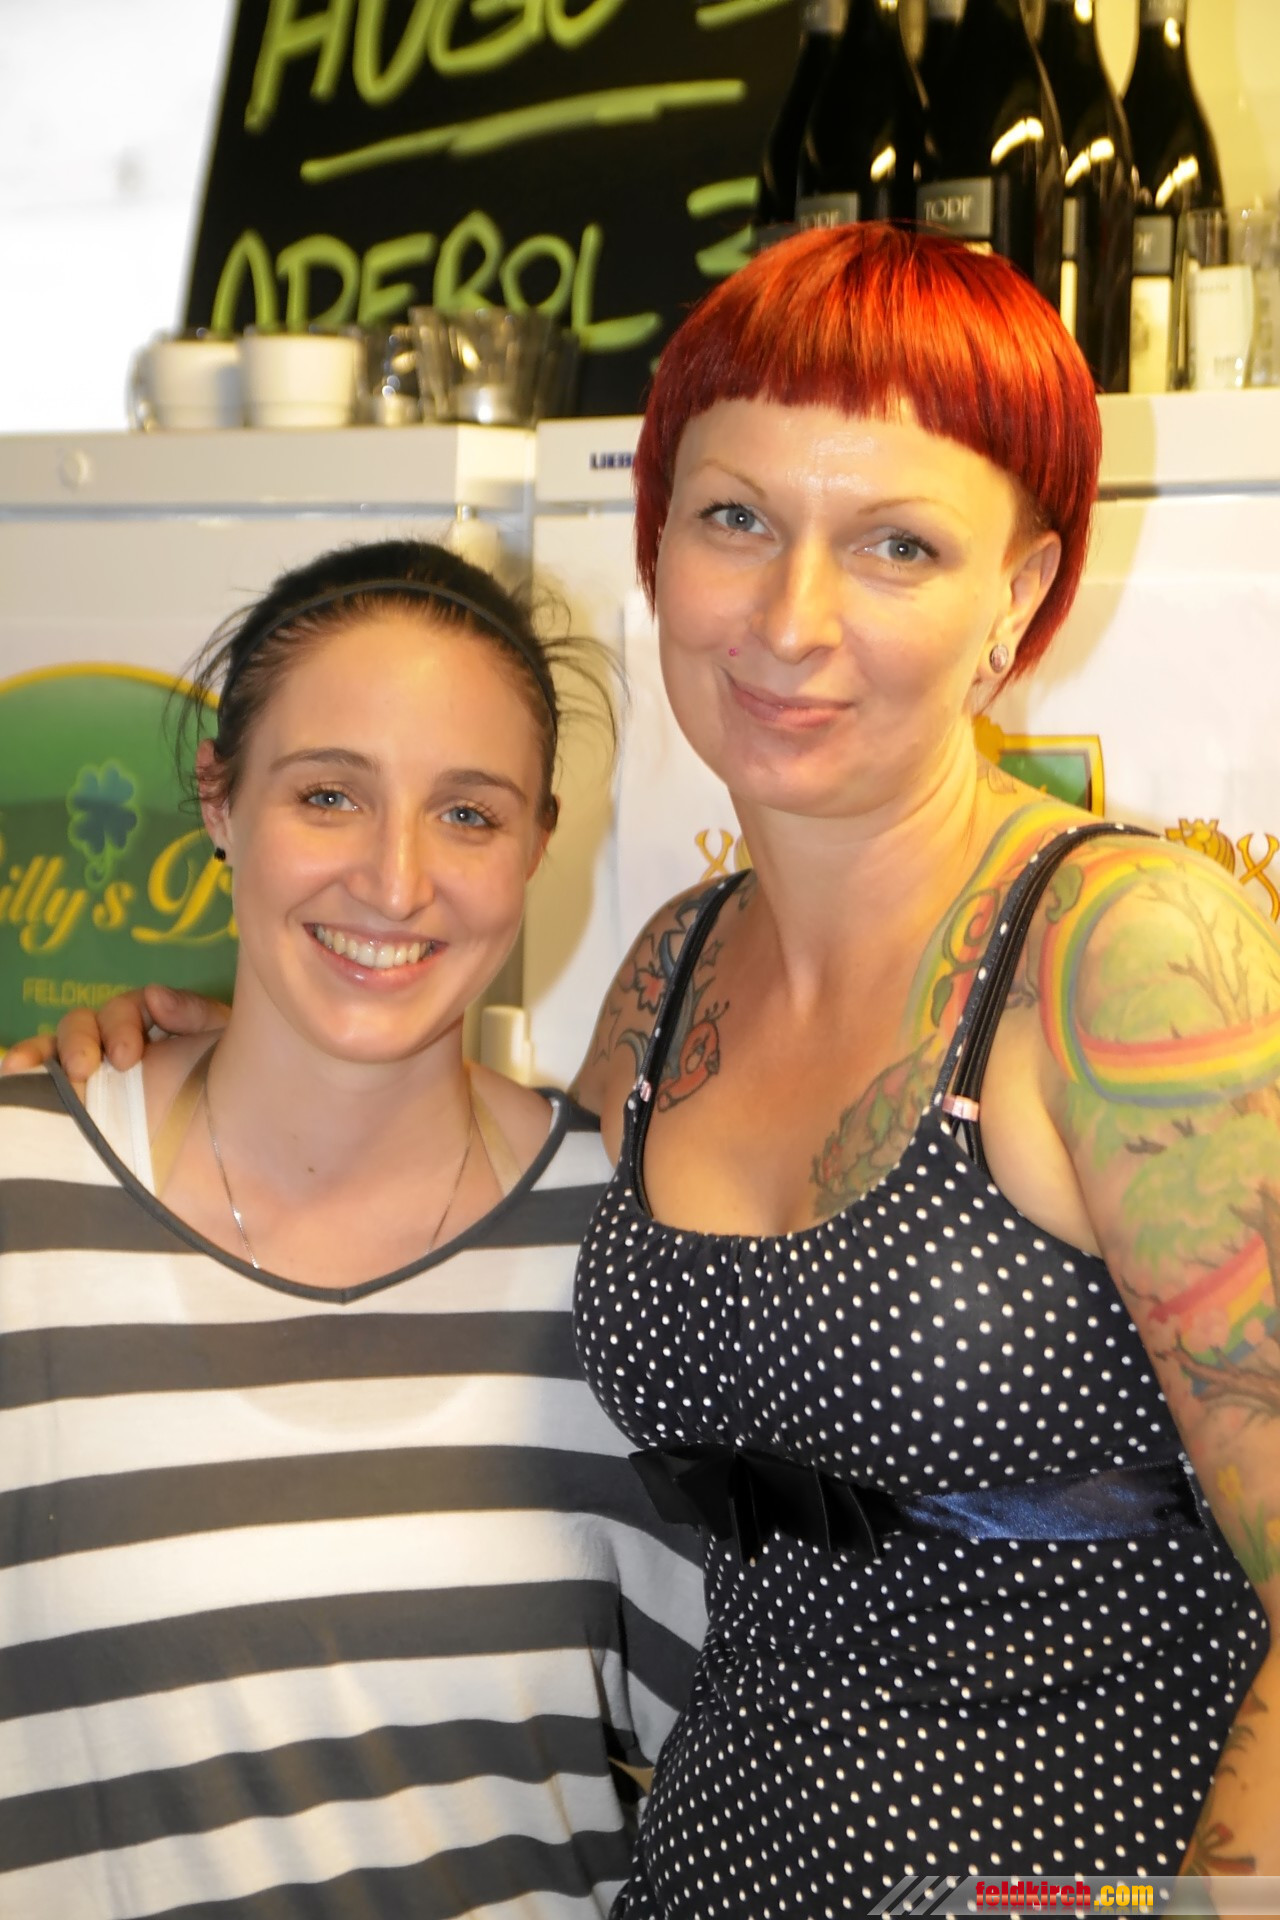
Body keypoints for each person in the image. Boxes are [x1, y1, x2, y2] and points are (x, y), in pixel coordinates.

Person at [15, 225, 1280, 1907]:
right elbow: (442, 1153)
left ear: (1022, 592)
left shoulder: (1127, 956)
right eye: (736, 520)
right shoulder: (670, 976)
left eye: (897, 544)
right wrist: (213, 1026)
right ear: (659, 543)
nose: (792, 619)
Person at [0, 538, 704, 1920]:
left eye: (469, 814)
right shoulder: (24, 1199)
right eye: (329, 795)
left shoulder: (627, 1248)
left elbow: (757, 1754)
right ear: (221, 801)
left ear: (538, 845)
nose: (395, 881)